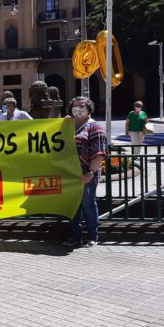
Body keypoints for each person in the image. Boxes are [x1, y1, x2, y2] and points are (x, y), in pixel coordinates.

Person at [63, 96, 107, 248]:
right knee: (73, 206)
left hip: (87, 174)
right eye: (75, 106)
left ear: (89, 109)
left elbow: (99, 153)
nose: (78, 109)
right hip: (71, 175)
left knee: (88, 205)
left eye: (82, 106)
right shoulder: (68, 125)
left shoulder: (95, 127)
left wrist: (90, 172)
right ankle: (75, 236)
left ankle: (92, 236)